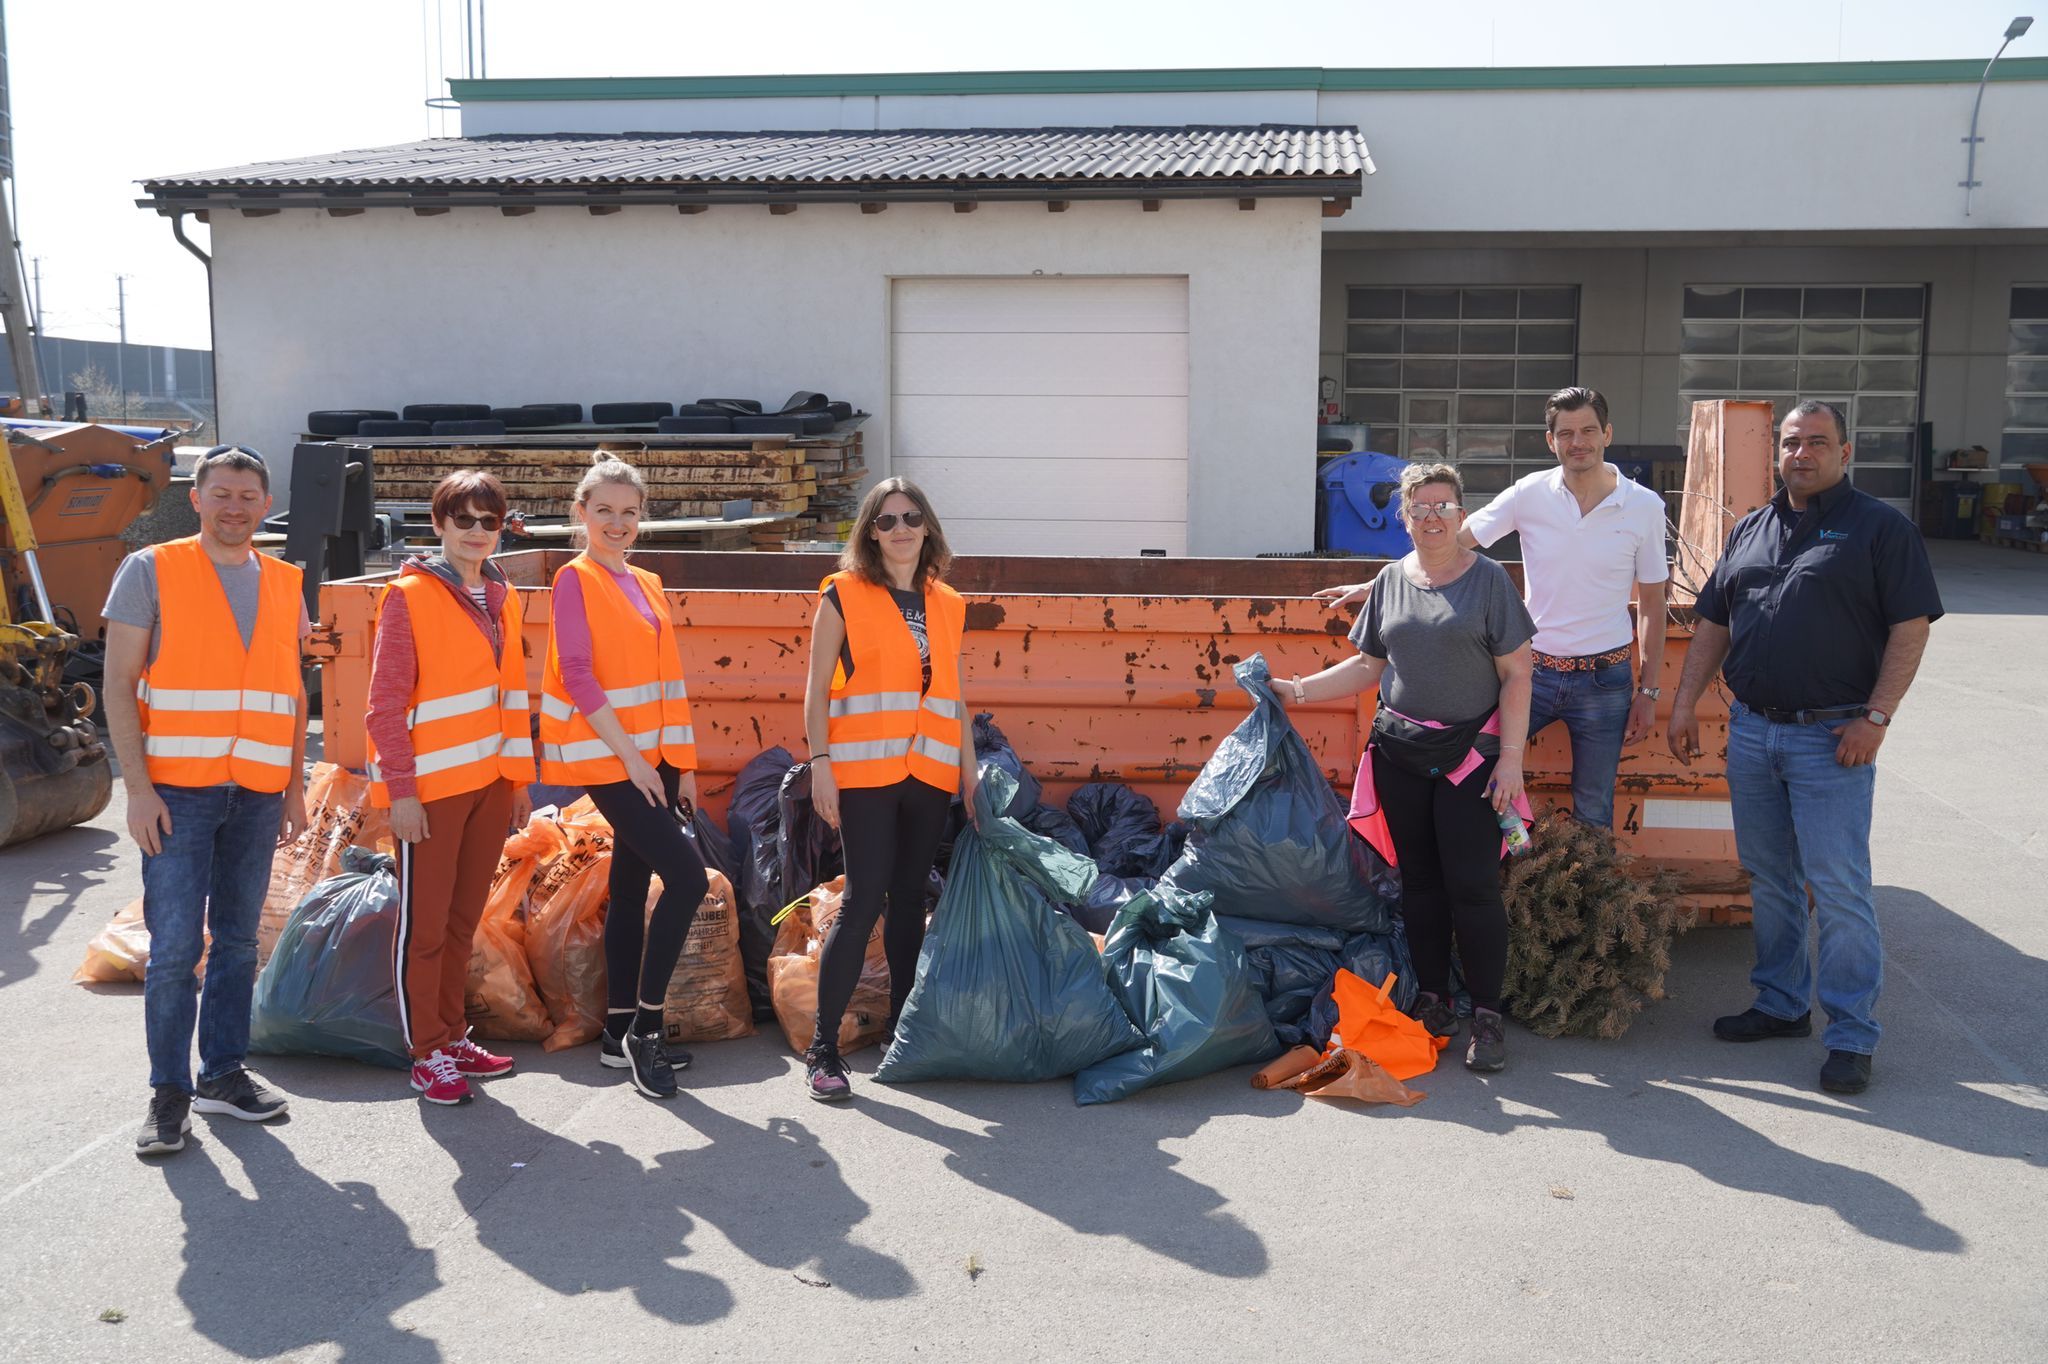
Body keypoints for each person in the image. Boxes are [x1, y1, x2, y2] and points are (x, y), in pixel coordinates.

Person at [1670, 400, 1940, 1096]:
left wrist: (1877, 718)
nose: (1802, 454)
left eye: (1818, 443)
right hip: (1754, 732)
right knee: (1770, 878)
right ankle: (1782, 1003)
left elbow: (1911, 629)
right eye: (1791, 443)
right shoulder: (1752, 528)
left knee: (1840, 887)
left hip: (1834, 737)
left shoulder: (1882, 530)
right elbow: (1712, 623)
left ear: (1845, 453)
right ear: (1778, 453)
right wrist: (1684, 702)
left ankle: (1851, 1034)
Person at [1316, 387, 1667, 830]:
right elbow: (1449, 543)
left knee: (1594, 810)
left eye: (1588, 431)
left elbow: (1654, 603)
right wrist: (1381, 584)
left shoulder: (1644, 507)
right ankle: (1487, 879)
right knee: (1471, 771)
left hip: (1605, 680)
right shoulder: (1529, 493)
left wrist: (1649, 692)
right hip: (1529, 672)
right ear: (1550, 440)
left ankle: (1580, 897)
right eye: (1566, 433)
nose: (1578, 442)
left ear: (1607, 434)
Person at [1283, 463, 1535, 1072]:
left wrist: (1510, 764)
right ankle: (1433, 1000)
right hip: (1400, 753)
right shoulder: (1391, 580)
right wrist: (1295, 691)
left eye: (1442, 506)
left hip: (1471, 761)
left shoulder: (1490, 582)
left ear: (1460, 514)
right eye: (1418, 508)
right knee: (1418, 884)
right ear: (1403, 516)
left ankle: (1487, 1017)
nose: (1431, 517)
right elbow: (1369, 668)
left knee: (1472, 887)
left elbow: (1518, 674)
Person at [103, 445, 308, 1156]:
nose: (235, 508)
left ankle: (223, 1072)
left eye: (248, 496)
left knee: (239, 941)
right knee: (173, 951)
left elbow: (291, 691)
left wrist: (292, 789)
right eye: (221, 494)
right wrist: (136, 791)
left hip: (254, 791)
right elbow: (118, 684)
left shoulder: (285, 581)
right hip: (176, 793)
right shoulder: (152, 569)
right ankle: (169, 1094)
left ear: (265, 502)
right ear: (197, 498)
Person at [802, 477, 978, 1102]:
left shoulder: (949, 604)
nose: (899, 529)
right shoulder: (842, 595)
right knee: (863, 899)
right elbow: (817, 689)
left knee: (910, 900)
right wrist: (820, 761)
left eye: (910, 517)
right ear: (869, 533)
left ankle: (901, 1031)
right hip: (864, 774)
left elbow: (955, 698)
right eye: (885, 520)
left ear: (927, 525)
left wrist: (970, 773)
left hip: (927, 774)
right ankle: (823, 1050)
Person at [538, 454, 709, 1101]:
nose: (617, 522)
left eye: (629, 512)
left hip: (656, 761)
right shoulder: (573, 580)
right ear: (581, 513)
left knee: (632, 884)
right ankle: (647, 1030)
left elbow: (670, 684)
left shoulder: (649, 583)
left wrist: (682, 767)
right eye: (604, 510)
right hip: (613, 762)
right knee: (688, 878)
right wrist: (636, 761)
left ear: (642, 518)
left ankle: (616, 1031)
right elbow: (577, 675)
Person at [364, 470, 535, 1105]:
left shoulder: (502, 594)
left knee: (463, 920)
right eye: (462, 519)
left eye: (489, 521)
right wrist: (401, 794)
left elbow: (511, 697)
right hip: (430, 795)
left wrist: (516, 779)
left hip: (489, 784)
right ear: (438, 525)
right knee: (424, 928)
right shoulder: (409, 597)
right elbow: (383, 707)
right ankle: (426, 1052)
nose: (476, 532)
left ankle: (450, 1032)